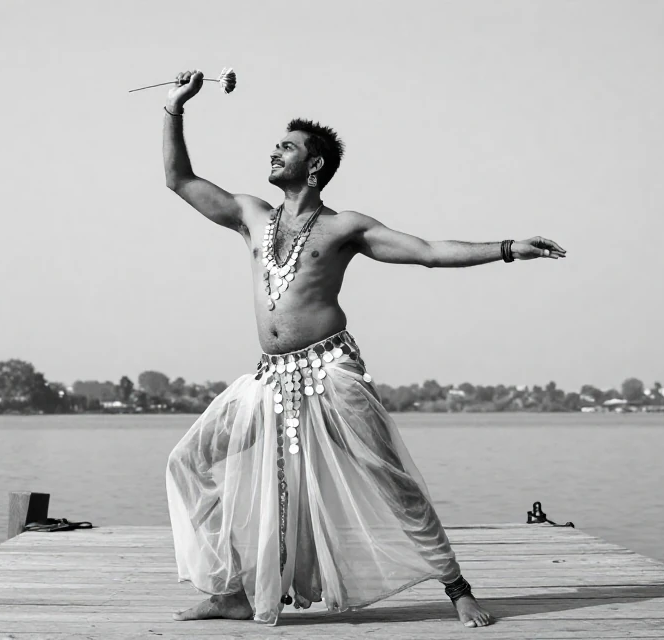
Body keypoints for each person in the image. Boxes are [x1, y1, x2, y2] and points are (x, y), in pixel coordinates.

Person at [161, 69, 566, 628]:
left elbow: (427, 251)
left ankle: (459, 589)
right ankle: (234, 590)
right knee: (189, 462)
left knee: (389, 476)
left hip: (331, 371)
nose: (274, 152)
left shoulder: (343, 227)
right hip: (269, 378)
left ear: (315, 165)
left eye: (286, 147)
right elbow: (179, 179)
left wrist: (507, 247)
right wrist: (176, 106)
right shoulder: (250, 216)